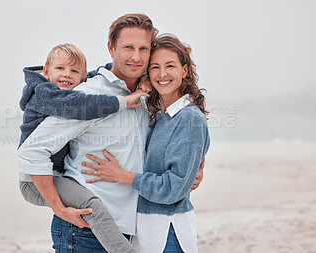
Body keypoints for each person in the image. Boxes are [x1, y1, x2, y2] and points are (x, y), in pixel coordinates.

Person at [18, 14, 204, 252]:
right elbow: (32, 150)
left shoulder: (148, 97)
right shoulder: (89, 95)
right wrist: (58, 206)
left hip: (130, 230)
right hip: (84, 229)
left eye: (143, 49)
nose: (136, 57)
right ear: (111, 47)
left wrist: (192, 170)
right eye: (128, 47)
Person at [81, 34, 210, 253]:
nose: (162, 74)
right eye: (155, 67)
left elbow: (172, 188)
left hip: (168, 230)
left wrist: (121, 175)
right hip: (145, 228)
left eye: (170, 66)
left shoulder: (189, 118)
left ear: (185, 70)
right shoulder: (158, 115)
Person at [18, 43, 147, 253]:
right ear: (46, 71)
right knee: (93, 207)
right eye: (60, 68)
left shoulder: (72, 90)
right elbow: (85, 104)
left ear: (83, 78)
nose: (67, 75)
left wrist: (137, 76)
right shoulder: (46, 93)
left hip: (55, 176)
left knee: (92, 207)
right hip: (34, 179)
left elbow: (99, 76)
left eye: (74, 71)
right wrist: (122, 101)